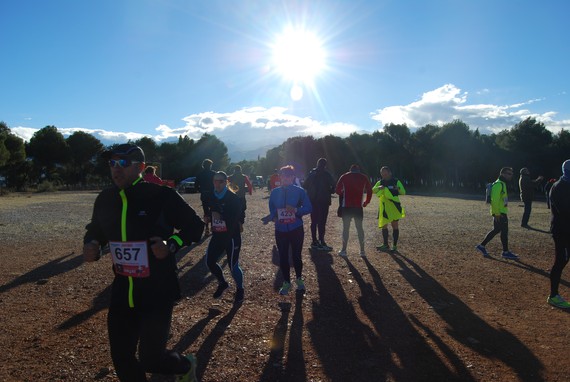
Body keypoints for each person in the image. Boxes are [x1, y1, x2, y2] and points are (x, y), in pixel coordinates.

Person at [82, 143, 204, 382]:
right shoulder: (106, 198)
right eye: (112, 163)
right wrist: (92, 243)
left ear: (141, 167)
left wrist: (172, 243)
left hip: (156, 292)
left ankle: (185, 366)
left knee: (151, 358)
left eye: (124, 163)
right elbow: (96, 228)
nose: (116, 169)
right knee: (121, 357)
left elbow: (195, 226)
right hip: (122, 293)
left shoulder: (161, 195)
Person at [263, 165, 312, 295]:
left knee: (296, 255)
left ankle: (299, 279)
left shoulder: (300, 191)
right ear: (280, 176)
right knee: (283, 257)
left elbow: (308, 207)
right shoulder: (274, 192)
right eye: (283, 175)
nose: (286, 178)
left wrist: (296, 210)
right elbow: (272, 209)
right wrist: (273, 218)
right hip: (280, 229)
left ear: (293, 177)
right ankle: (286, 282)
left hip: (296, 228)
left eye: (288, 175)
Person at [203, 171, 245, 304]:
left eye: (221, 181)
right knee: (209, 262)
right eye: (215, 181)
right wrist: (208, 217)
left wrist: (220, 216)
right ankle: (222, 283)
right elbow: (211, 212)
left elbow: (235, 218)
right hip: (218, 235)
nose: (217, 184)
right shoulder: (211, 196)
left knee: (233, 266)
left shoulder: (233, 198)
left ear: (226, 182)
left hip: (232, 237)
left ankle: (240, 289)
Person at [475, 167, 519, 260]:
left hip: (501, 212)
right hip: (500, 213)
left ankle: (482, 246)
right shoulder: (499, 184)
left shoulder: (502, 184)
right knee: (503, 231)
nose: (511, 176)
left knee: (497, 230)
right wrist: (497, 213)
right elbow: (494, 200)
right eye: (509, 174)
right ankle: (505, 252)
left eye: (511, 174)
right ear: (503, 174)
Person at [546, 160, 570, 308]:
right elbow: (565, 211)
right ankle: (553, 296)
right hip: (562, 231)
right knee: (561, 260)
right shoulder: (559, 187)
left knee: (564, 260)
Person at [335, 164, 372, 258]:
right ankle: (362, 251)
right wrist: (366, 202)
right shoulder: (363, 177)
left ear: (350, 169)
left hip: (346, 206)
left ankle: (344, 250)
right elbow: (369, 190)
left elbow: (337, 190)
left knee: (345, 228)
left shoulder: (344, 176)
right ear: (358, 170)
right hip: (358, 207)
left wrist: (343, 192)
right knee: (359, 228)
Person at [303, 158, 336, 251]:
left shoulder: (311, 174)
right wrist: (330, 191)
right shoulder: (327, 174)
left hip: (313, 200)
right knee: (322, 222)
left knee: (314, 221)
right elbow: (334, 186)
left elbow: (305, 185)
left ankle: (314, 241)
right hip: (324, 201)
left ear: (317, 164)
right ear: (325, 165)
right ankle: (322, 241)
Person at [372, 166, 406, 252]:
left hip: (394, 206)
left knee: (394, 225)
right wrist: (379, 188)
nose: (384, 176)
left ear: (390, 173)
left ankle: (394, 246)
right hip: (384, 206)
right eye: (382, 174)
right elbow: (372, 190)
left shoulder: (396, 181)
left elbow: (403, 192)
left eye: (385, 174)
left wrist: (394, 188)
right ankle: (385, 244)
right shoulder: (380, 182)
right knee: (384, 225)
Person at [195, 159, 216, 236]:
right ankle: (213, 227)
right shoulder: (214, 174)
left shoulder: (200, 174)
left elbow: (196, 186)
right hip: (213, 195)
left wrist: (201, 190)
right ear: (210, 165)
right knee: (213, 211)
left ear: (203, 165)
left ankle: (206, 229)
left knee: (206, 212)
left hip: (204, 195)